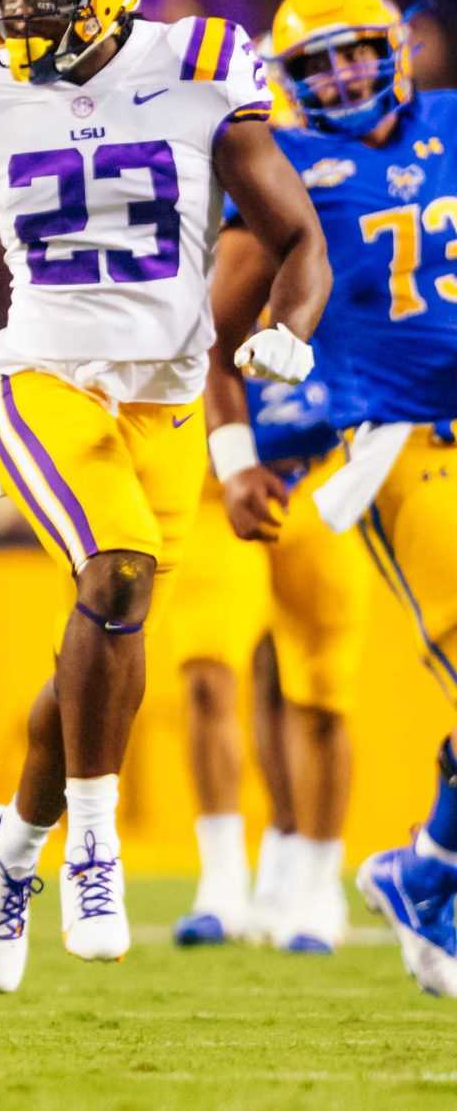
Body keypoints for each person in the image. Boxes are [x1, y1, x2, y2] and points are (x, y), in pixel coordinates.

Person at [0, 0, 328, 994]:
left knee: (98, 644)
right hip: (38, 378)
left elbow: (292, 231)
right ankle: (95, 845)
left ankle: (11, 845)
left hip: (165, 403)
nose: (17, 17)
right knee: (117, 576)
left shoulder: (197, 69)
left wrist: (288, 327)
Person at [203, 0, 457, 997]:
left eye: (359, 52)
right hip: (405, 449)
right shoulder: (287, 167)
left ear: (399, 45)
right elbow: (211, 339)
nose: (346, 75)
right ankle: (426, 872)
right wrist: (231, 459)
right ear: (292, 81)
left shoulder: (450, 122)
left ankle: (425, 874)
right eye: (321, 63)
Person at [157, 370, 361, 952]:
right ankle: (222, 884)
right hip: (213, 483)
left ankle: (317, 883)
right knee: (206, 674)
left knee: (320, 697)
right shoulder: (208, 282)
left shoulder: (343, 278)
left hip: (319, 477)